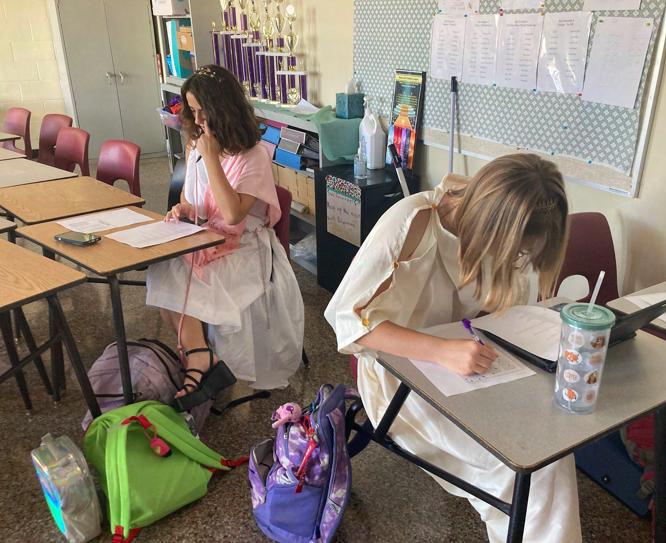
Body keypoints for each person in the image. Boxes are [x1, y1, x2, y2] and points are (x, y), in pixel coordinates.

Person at [325, 154, 580, 542]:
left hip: (467, 363)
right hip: (398, 376)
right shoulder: (412, 222)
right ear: (491, 225)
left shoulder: (492, 224)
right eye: (514, 252)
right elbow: (346, 322)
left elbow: (482, 306)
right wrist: (441, 350)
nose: (514, 260)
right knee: (520, 466)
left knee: (549, 450)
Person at [146, 65, 304, 411]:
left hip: (246, 247)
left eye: (204, 111)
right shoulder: (196, 144)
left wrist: (211, 158)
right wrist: (183, 209)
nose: (199, 120)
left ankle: (199, 359)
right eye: (193, 111)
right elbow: (193, 199)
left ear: (224, 109)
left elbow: (233, 215)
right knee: (162, 270)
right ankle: (201, 355)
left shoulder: (253, 155)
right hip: (206, 236)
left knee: (179, 277)